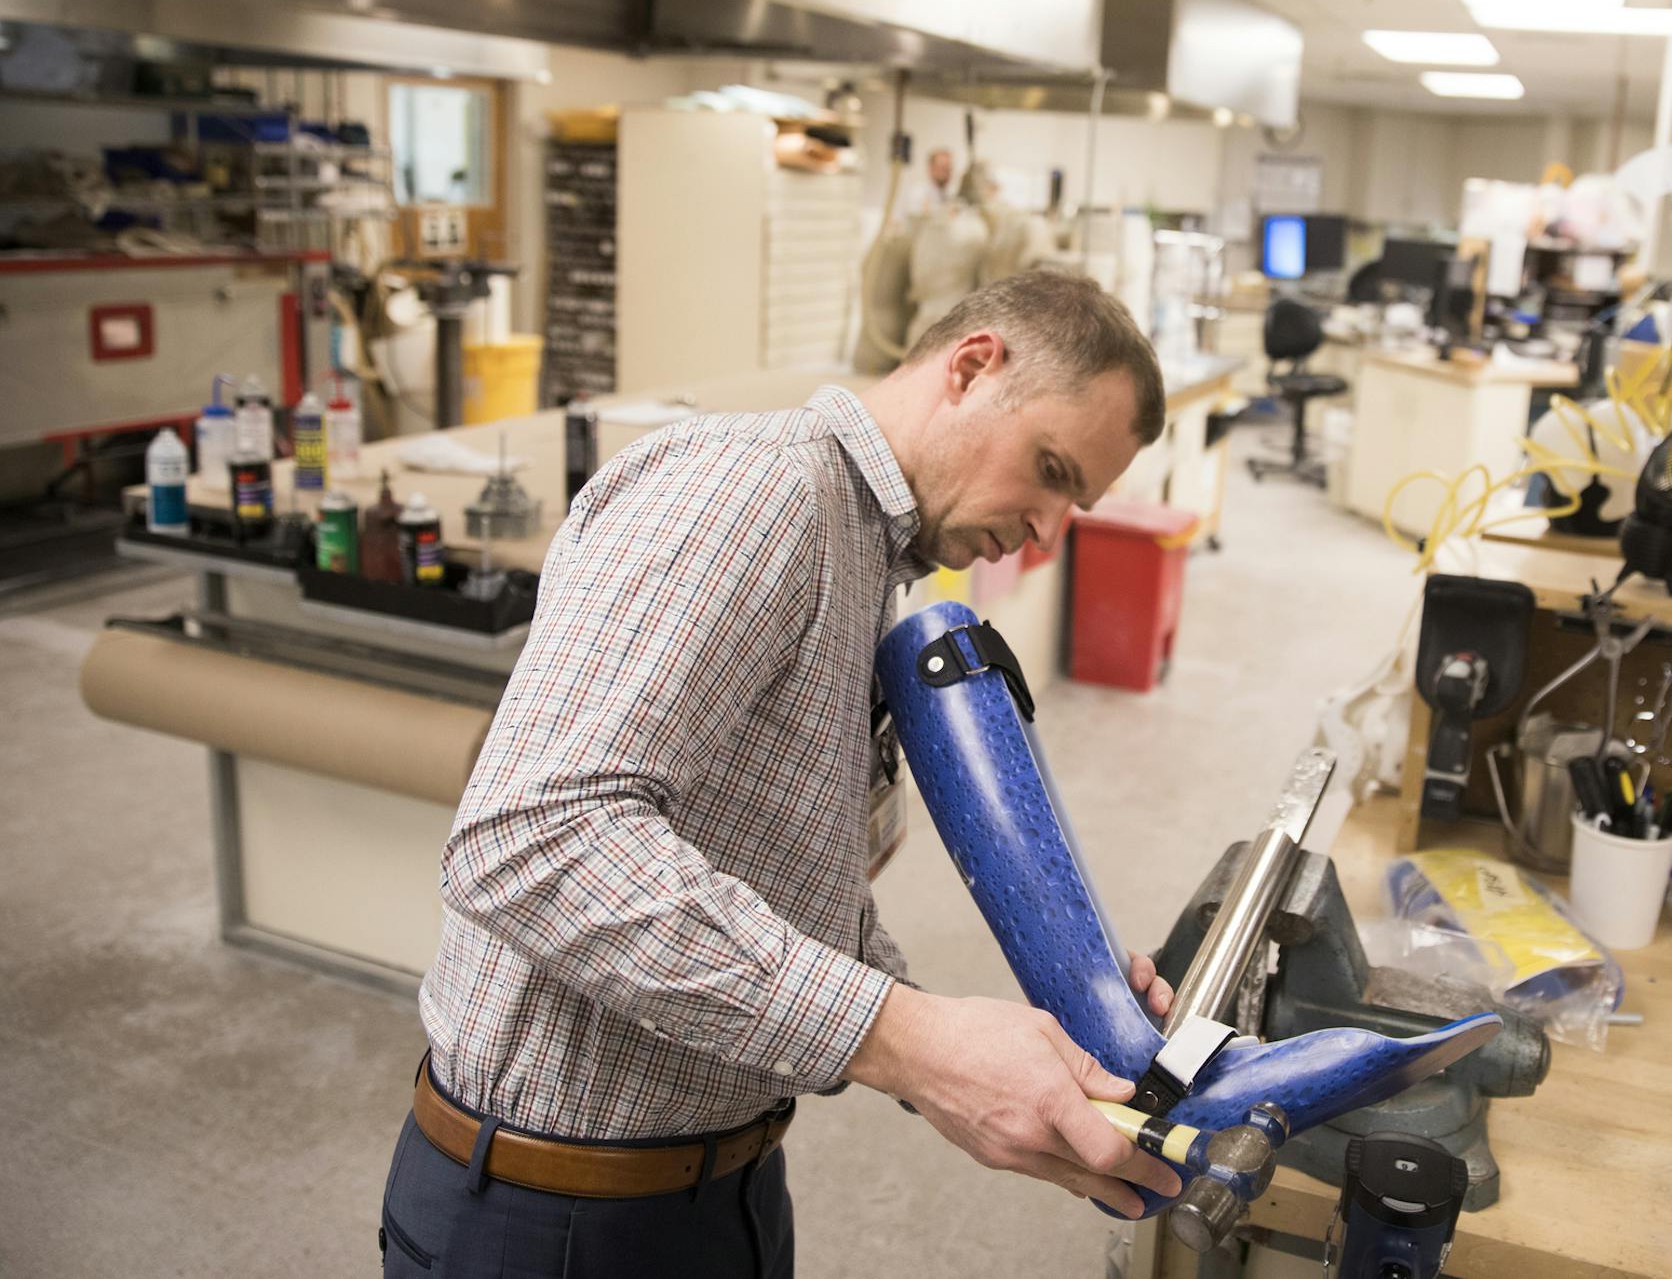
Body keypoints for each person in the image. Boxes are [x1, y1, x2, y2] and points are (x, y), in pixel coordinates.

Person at [379, 271, 1180, 1278]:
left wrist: (1003, 1053)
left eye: (1078, 501)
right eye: (1051, 469)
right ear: (973, 368)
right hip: (561, 1218)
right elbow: (533, 838)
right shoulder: (758, 496)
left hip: (717, 1180)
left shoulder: (863, 550)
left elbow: (780, 880)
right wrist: (911, 1041)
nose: (1048, 531)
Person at [899, 146, 955, 220]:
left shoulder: (951, 194)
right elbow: (913, 217)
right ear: (930, 168)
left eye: (948, 169)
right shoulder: (917, 193)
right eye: (942, 168)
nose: (945, 174)